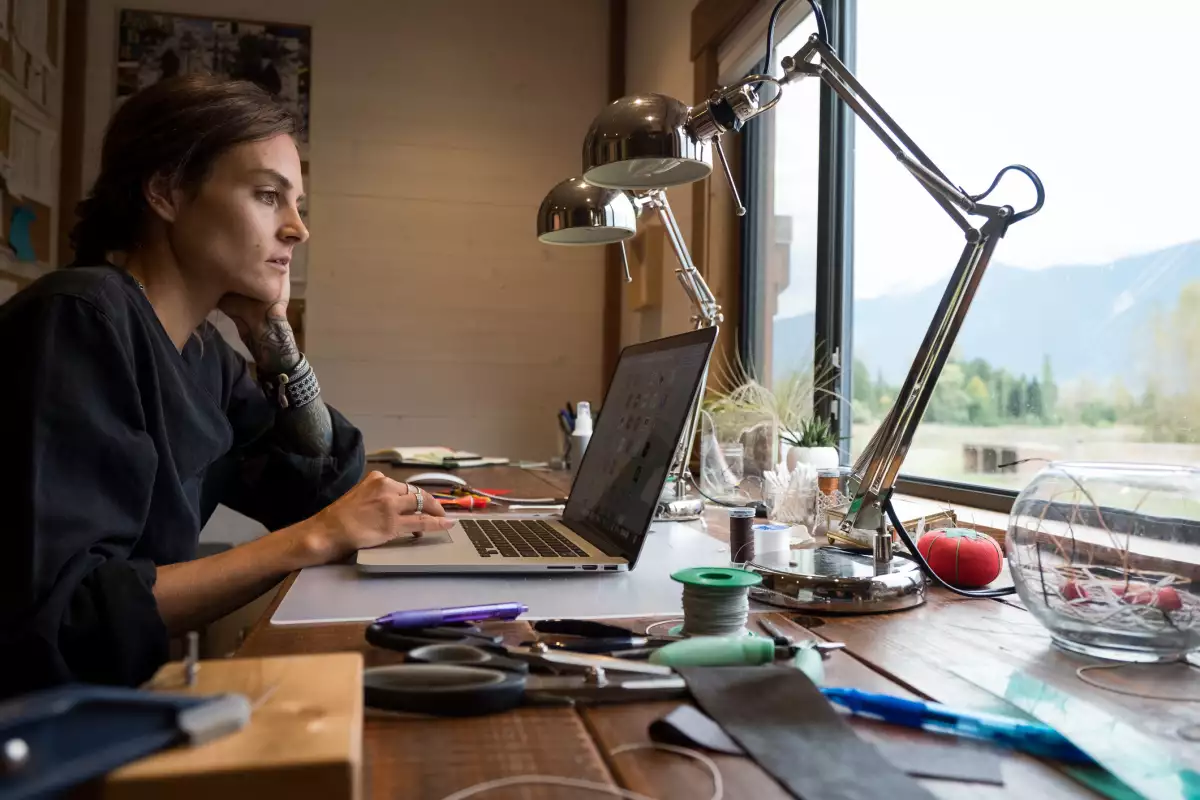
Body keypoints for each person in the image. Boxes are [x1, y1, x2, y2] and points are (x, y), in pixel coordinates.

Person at [0, 75, 454, 698]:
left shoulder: (203, 354)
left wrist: (276, 345)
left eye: (298, 204)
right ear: (166, 191)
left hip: (109, 702)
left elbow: (327, 488)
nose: (297, 229)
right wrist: (317, 539)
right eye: (268, 195)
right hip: (42, 725)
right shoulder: (80, 320)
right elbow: (67, 619)